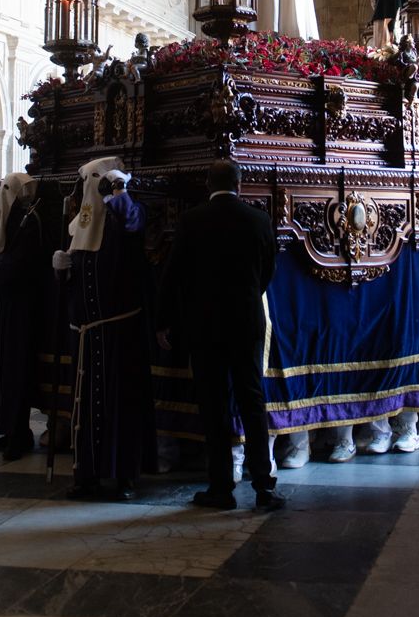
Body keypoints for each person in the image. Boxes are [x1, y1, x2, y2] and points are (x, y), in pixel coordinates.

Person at [156, 159, 285, 511]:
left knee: (213, 406)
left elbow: (174, 274)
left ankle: (221, 488)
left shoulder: (191, 221)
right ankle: (264, 486)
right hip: (246, 321)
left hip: (205, 324)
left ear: (208, 186)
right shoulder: (259, 220)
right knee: (251, 402)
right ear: (239, 185)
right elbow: (268, 270)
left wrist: (164, 320)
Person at [53, 157, 149, 500]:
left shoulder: (124, 214)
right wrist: (62, 269)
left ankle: (124, 477)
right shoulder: (80, 222)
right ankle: (86, 477)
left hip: (117, 334)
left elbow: (135, 223)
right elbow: (74, 281)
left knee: (119, 407)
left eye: (96, 180)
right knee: (85, 409)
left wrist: (118, 189)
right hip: (84, 333)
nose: (88, 187)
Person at [0, 173, 44, 460]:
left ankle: (19, 432)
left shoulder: (30, 221)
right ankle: (3, 425)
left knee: (15, 368)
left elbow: (23, 261)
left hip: (17, 306)